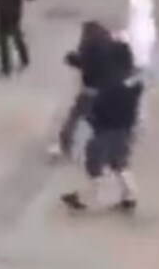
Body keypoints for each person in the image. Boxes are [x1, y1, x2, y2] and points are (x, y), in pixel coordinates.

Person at [61, 41, 143, 212]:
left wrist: (94, 120)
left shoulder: (111, 84)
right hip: (124, 128)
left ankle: (85, 197)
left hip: (107, 128)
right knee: (119, 161)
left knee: (94, 161)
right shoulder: (132, 82)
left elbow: (101, 106)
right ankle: (130, 194)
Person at [51, 21, 114, 160]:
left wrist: (72, 59)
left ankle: (64, 147)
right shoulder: (108, 47)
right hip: (107, 92)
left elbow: (87, 66)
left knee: (74, 118)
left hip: (91, 92)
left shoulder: (90, 49)